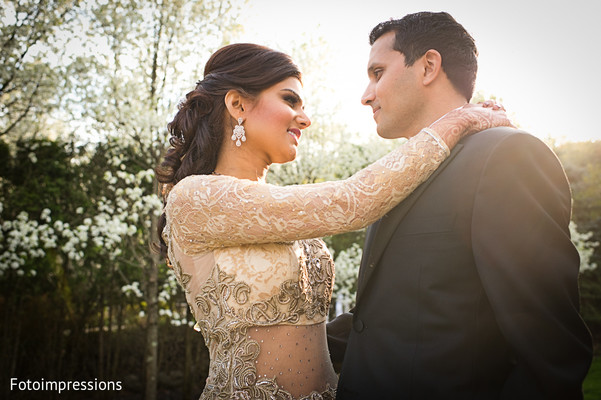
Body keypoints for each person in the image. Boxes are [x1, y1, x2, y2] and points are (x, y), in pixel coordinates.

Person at [155, 42, 510, 399]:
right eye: (290, 100)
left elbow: (310, 334)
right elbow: (354, 201)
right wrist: (460, 119)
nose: (305, 119)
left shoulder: (279, 205)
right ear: (238, 104)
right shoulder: (195, 198)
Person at [326, 11, 593, 400]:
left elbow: (550, 353)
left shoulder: (507, 156)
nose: (366, 94)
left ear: (429, 66)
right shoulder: (398, 173)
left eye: (378, 72)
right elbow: (393, 315)